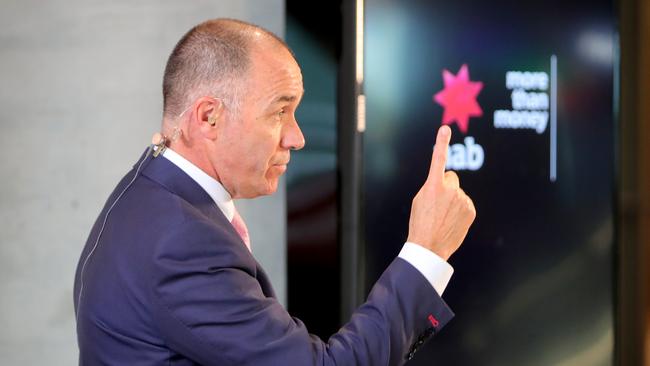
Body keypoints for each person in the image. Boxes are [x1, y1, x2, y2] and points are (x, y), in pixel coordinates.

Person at [73, 18, 475, 365]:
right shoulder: (181, 243)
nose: (297, 137)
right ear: (208, 118)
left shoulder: (148, 188)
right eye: (280, 111)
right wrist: (427, 251)